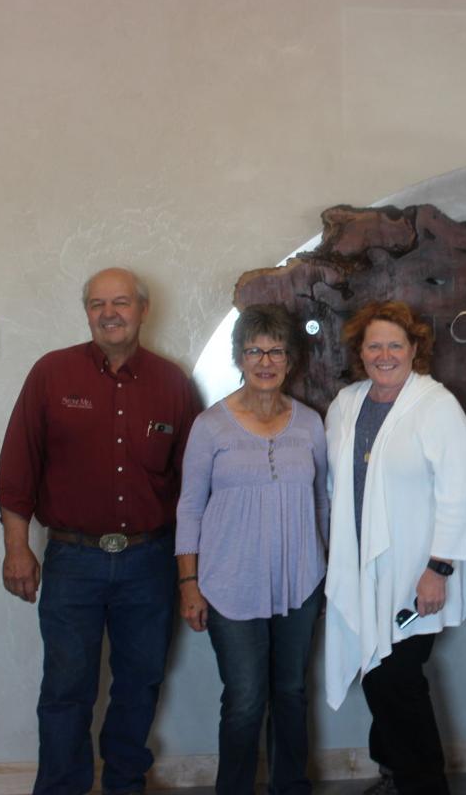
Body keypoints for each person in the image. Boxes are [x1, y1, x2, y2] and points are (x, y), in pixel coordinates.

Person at [0, 267, 200, 795]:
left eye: (121, 302)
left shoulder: (173, 384)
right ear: (86, 311)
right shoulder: (51, 374)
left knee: (139, 684)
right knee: (67, 689)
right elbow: (17, 469)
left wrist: (189, 575)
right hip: (72, 560)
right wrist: (16, 549)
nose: (109, 313)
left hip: (149, 563)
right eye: (96, 304)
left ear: (143, 309)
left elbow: (194, 490)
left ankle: (125, 785)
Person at [322, 300, 466, 795]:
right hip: (364, 572)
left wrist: (438, 569)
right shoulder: (346, 404)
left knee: (398, 680)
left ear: (414, 349)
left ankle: (424, 785)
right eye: (374, 345)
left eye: (395, 344)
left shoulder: (437, 405)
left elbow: (458, 492)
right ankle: (393, 773)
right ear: (359, 353)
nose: (384, 354)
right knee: (377, 673)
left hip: (418, 579)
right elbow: (333, 487)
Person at [175, 304, 329, 795]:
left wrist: (325, 571)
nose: (266, 361)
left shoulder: (310, 423)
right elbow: (189, 508)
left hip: (299, 582)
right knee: (244, 700)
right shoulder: (210, 426)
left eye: (276, 350)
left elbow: (322, 501)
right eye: (255, 350)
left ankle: (291, 787)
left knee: (291, 693)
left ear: (291, 359)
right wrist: (188, 583)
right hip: (228, 584)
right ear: (240, 357)